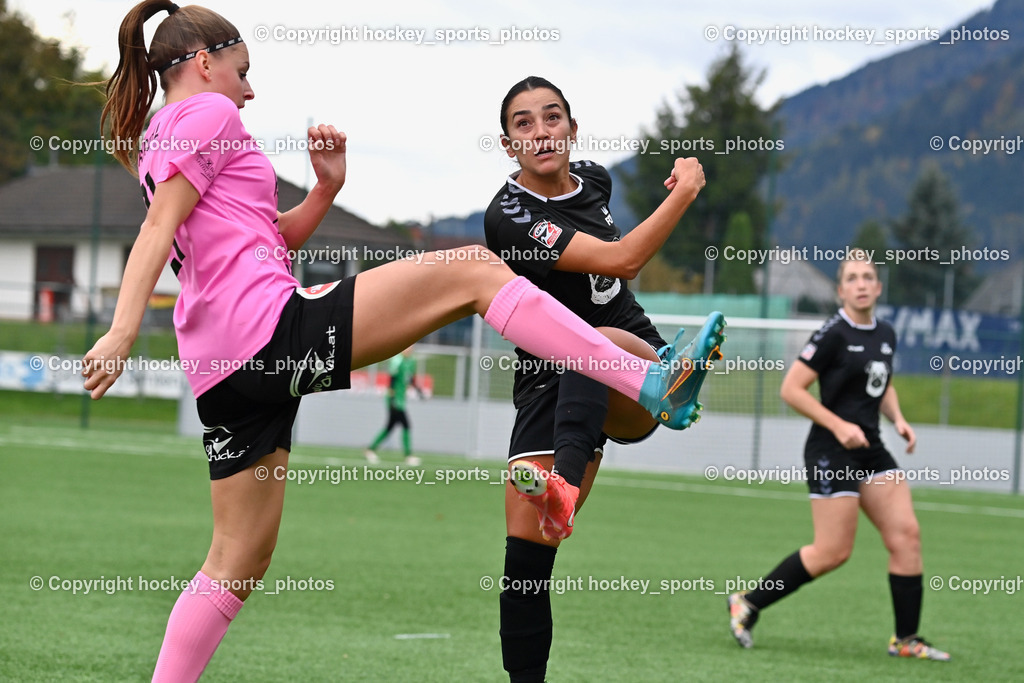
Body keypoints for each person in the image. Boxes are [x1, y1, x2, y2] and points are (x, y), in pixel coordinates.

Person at [85, 5, 714, 680]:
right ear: (204, 63)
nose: (250, 90)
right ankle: (646, 379)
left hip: (221, 369)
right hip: (267, 332)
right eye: (243, 72)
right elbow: (157, 230)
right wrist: (123, 330)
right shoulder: (211, 115)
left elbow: (261, 243)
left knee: (234, 564)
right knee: (473, 267)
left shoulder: (157, 136)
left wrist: (326, 190)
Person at [485, 76, 726, 683]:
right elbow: (623, 259)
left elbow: (616, 288)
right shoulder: (509, 216)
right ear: (508, 142)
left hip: (613, 367)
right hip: (549, 390)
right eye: (524, 123)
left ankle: (666, 372)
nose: (541, 133)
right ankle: (668, 379)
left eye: (552, 118)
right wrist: (685, 191)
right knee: (525, 567)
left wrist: (655, 346)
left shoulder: (594, 180)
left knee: (586, 345)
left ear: (572, 126)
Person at [727, 250, 950, 661]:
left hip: (871, 448)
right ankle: (749, 602)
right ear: (840, 290)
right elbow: (791, 389)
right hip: (831, 449)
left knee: (907, 537)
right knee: (833, 552)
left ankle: (906, 639)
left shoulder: (885, 333)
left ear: (878, 287)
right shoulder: (833, 333)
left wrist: (898, 418)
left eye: (868, 277)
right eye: (853, 278)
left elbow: (880, 382)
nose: (862, 284)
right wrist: (839, 426)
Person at [365, 346, 424, 466]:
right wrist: (392, 399)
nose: (409, 349)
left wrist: (418, 390)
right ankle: (408, 456)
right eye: (407, 347)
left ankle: (371, 449)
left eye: (411, 347)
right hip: (394, 399)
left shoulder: (411, 361)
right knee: (406, 425)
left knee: (390, 427)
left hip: (401, 399)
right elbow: (392, 379)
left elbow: (410, 378)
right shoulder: (397, 360)